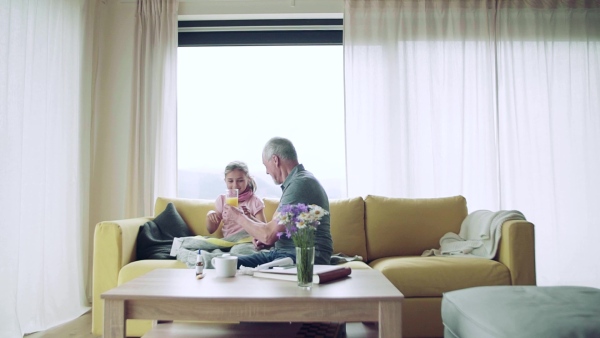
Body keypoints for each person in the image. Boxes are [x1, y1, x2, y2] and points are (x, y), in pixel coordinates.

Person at [222, 136, 333, 268]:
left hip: (300, 257)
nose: (267, 172)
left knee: (231, 267)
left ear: (275, 160)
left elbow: (268, 235)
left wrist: (237, 216)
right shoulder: (297, 182)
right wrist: (265, 240)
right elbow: (272, 233)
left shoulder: (300, 184)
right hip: (284, 253)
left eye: (266, 165)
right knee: (227, 264)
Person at [171, 161, 267, 266]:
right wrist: (210, 215)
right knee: (187, 243)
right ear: (225, 180)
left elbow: (264, 229)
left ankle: (219, 262)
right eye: (230, 181)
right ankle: (221, 260)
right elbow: (211, 230)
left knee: (241, 252)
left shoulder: (254, 201)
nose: (235, 185)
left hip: (246, 240)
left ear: (248, 180)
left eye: (240, 181)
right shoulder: (222, 200)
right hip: (228, 241)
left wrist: (250, 217)